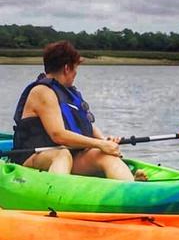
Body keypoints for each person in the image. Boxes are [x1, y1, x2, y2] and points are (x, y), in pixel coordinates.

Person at [12, 40, 145, 181]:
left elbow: (85, 125)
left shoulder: (69, 93)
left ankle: (131, 187)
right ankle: (58, 196)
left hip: (69, 156)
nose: (76, 73)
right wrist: (99, 144)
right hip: (32, 158)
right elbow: (58, 135)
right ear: (67, 68)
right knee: (62, 154)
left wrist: (105, 141)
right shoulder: (42, 92)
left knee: (105, 155)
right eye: (75, 68)